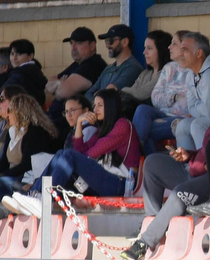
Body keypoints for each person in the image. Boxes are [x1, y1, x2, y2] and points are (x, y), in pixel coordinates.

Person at [125, 76, 210, 258]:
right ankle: (152, 221)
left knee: (180, 193)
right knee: (152, 163)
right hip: (193, 169)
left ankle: (145, 243)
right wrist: (189, 155)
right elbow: (205, 150)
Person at [9, 87, 140, 209]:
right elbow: (79, 152)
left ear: (111, 106)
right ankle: (33, 194)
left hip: (120, 185)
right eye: (94, 105)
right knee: (61, 153)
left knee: (68, 155)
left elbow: (89, 155)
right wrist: (79, 123)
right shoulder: (102, 130)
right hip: (105, 180)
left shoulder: (123, 125)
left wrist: (76, 157)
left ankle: (43, 197)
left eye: (100, 105)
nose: (95, 109)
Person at [0, 86, 59, 210]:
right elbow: (3, 163)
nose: (7, 114)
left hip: (26, 178)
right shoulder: (11, 131)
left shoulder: (35, 132)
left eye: (10, 111)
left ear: (20, 112)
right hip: (10, 175)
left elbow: (26, 165)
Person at [127, 29, 194, 151]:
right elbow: (155, 97)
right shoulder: (169, 68)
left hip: (180, 119)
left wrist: (166, 102)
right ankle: (139, 154)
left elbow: (188, 105)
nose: (169, 47)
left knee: (143, 130)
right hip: (162, 115)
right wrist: (174, 98)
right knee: (142, 109)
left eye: (174, 44)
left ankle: (135, 154)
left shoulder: (193, 71)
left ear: (184, 47)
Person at [47, 27, 108, 119]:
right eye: (71, 43)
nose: (73, 48)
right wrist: (60, 82)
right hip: (58, 117)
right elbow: (48, 85)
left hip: (72, 121)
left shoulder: (93, 64)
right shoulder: (76, 64)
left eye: (79, 43)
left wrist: (61, 84)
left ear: (92, 46)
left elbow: (61, 92)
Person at [87, 23, 145, 97]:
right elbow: (89, 93)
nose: (107, 45)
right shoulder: (108, 68)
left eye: (111, 41)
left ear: (124, 42)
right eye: (106, 41)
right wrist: (97, 101)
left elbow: (110, 95)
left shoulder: (134, 68)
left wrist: (97, 97)